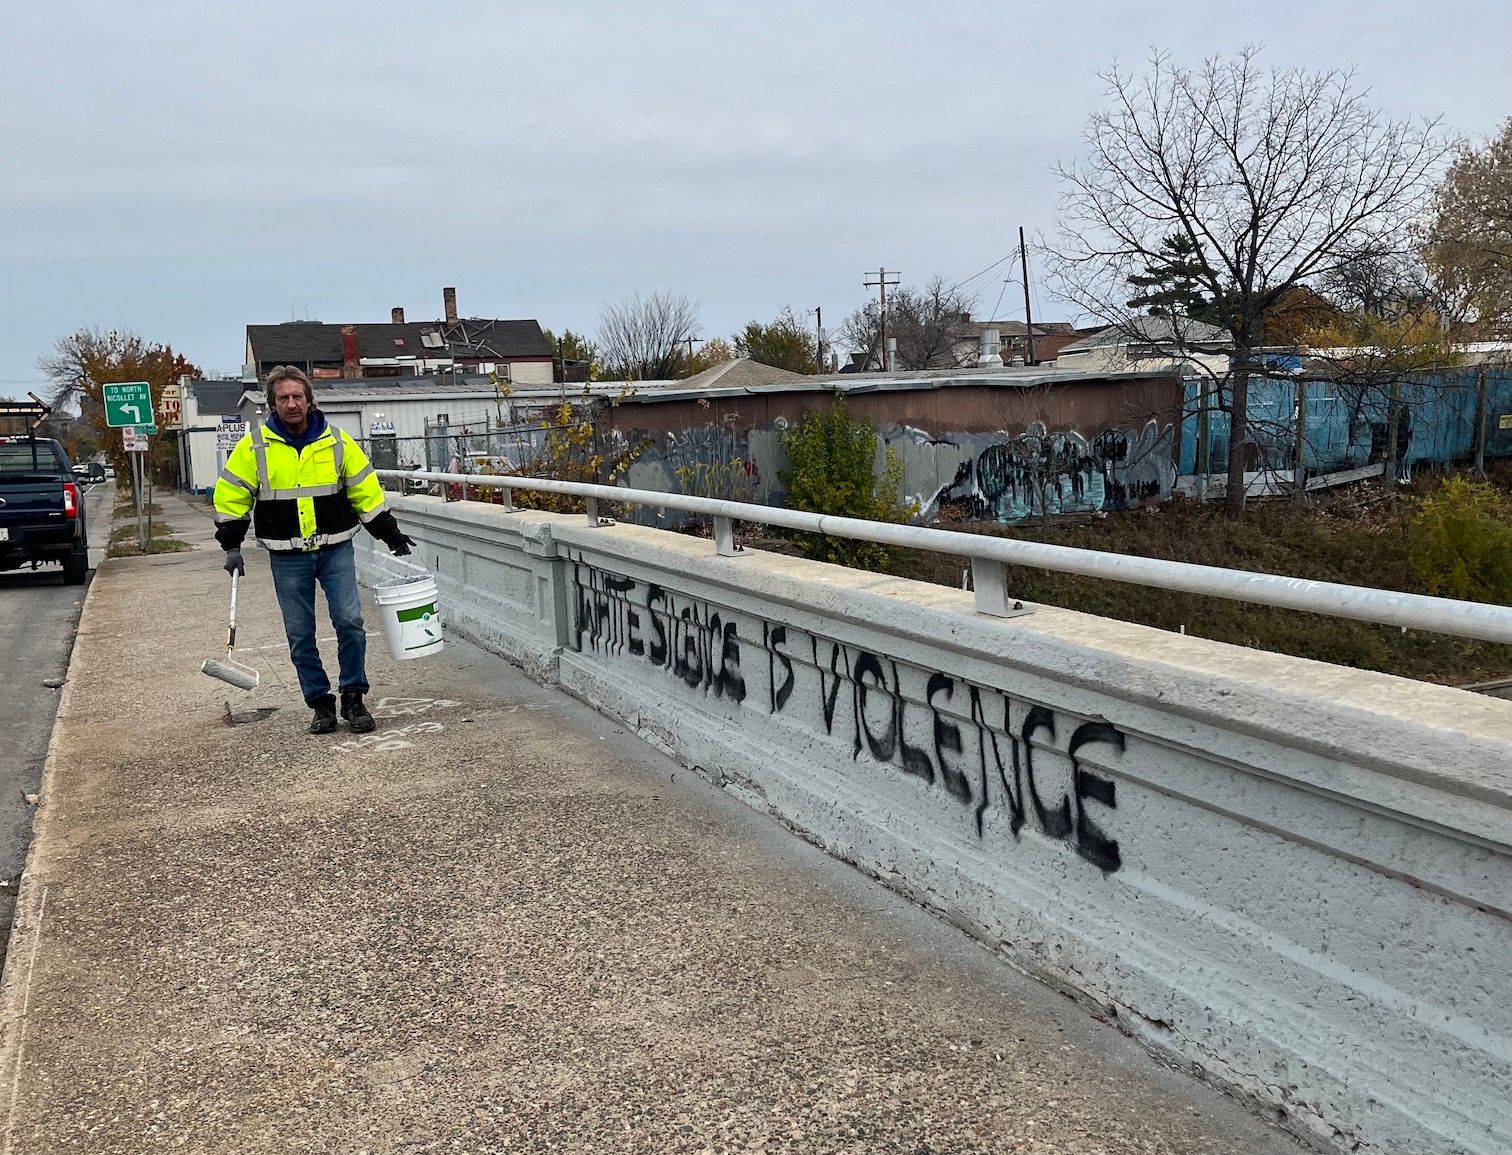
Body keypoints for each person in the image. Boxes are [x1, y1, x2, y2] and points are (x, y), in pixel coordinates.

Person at [213, 366, 416, 734]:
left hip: (336, 549)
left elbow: (365, 492)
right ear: (273, 403)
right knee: (301, 634)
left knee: (351, 623)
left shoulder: (337, 442)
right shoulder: (254, 447)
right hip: (287, 557)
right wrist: (231, 545)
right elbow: (232, 495)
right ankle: (320, 703)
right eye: (283, 398)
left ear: (309, 400)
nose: (291, 403)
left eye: (297, 397)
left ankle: (353, 697)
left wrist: (391, 535)